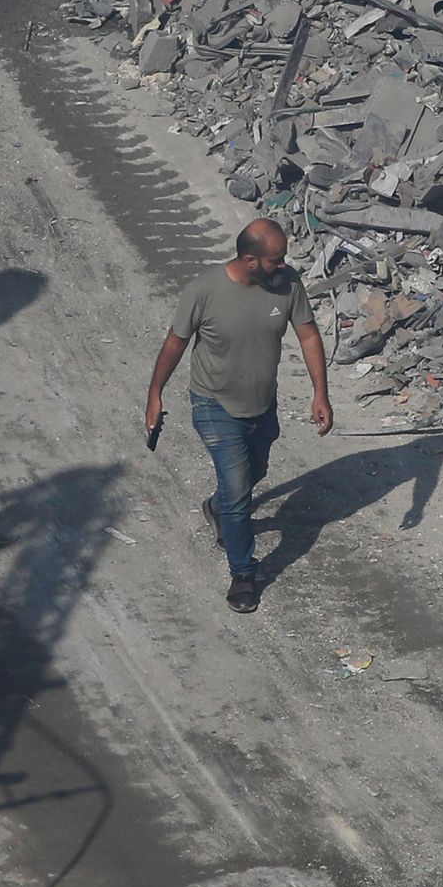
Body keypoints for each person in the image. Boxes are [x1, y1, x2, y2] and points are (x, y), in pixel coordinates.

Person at [142, 219, 330, 614]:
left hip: (263, 404)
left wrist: (320, 394)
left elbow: (309, 335)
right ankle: (243, 573)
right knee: (240, 485)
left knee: (253, 472)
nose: (284, 266)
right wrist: (155, 394)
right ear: (249, 260)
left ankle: (218, 507)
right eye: (275, 260)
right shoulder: (204, 292)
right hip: (214, 404)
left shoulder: (288, 284)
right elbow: (175, 344)